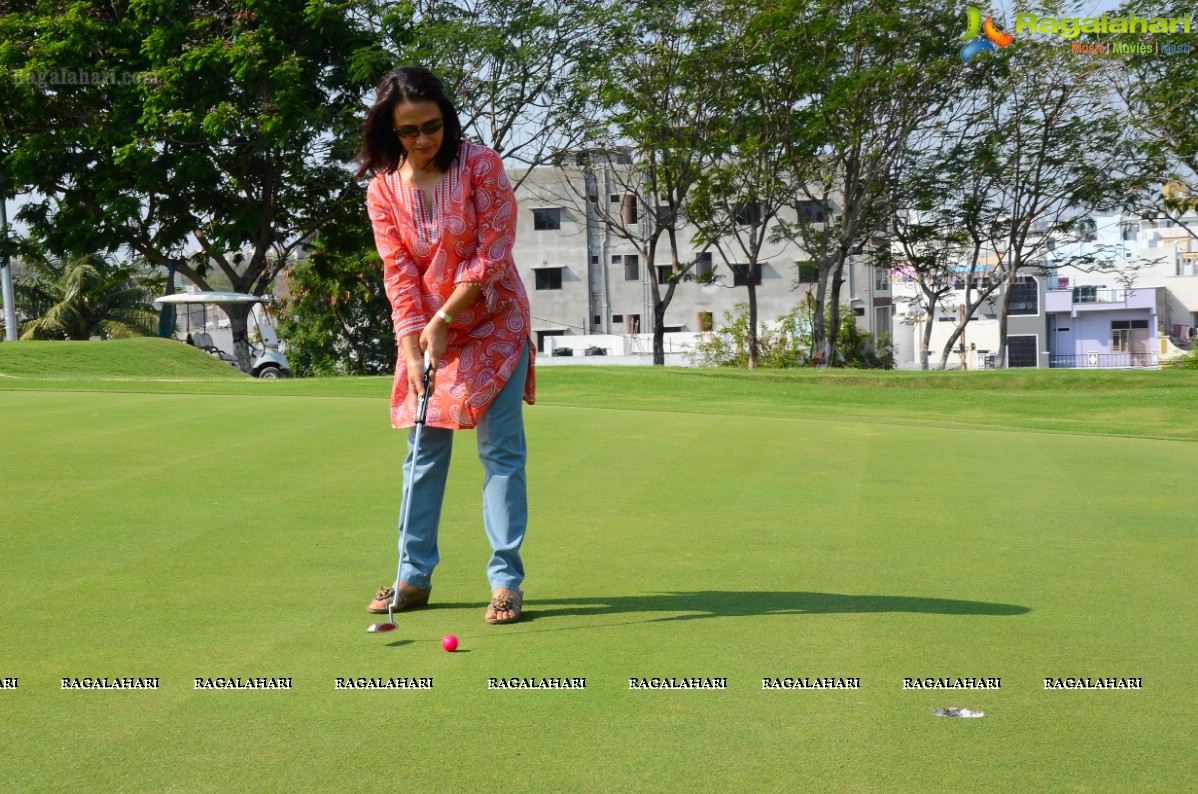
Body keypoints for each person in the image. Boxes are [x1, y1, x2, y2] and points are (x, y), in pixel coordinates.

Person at [356, 66, 535, 624]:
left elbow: (493, 250)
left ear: (447, 120)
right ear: (391, 132)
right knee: (423, 453)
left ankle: (506, 582)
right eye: (409, 131)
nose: (424, 140)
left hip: (494, 323)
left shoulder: (481, 165)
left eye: (432, 126)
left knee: (501, 452)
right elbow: (399, 273)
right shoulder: (382, 190)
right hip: (429, 334)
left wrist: (446, 316)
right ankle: (412, 578)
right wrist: (411, 345)